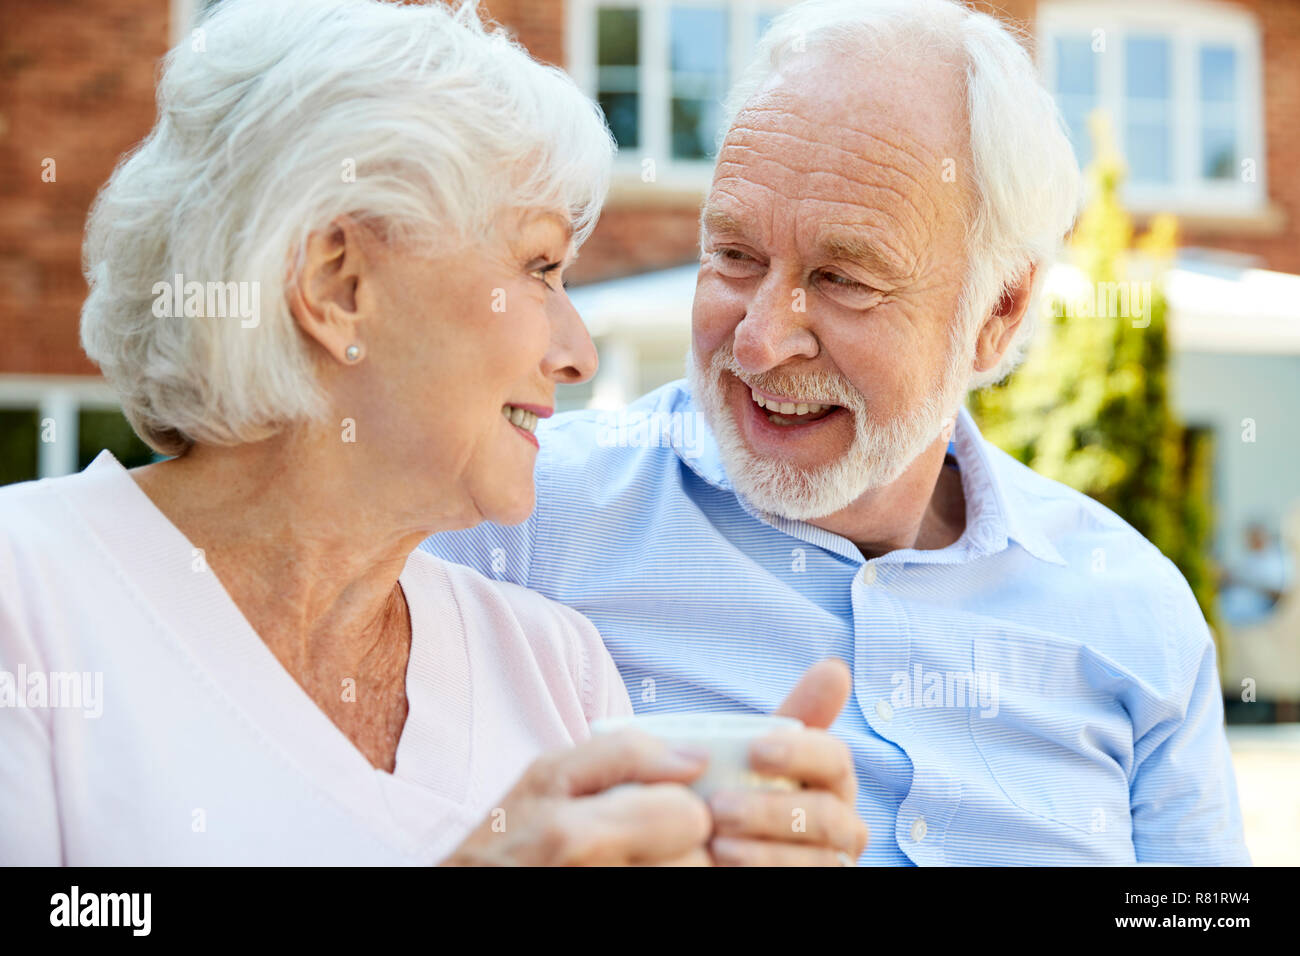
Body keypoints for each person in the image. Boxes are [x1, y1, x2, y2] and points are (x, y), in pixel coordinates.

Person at [0, 0, 867, 867]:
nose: (576, 356)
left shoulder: (553, 666)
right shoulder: (28, 597)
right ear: (337, 285)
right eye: (538, 269)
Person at [427, 0, 1251, 865]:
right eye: (735, 256)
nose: (758, 340)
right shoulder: (509, 517)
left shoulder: (1134, 612)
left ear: (998, 313)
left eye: (842, 278)